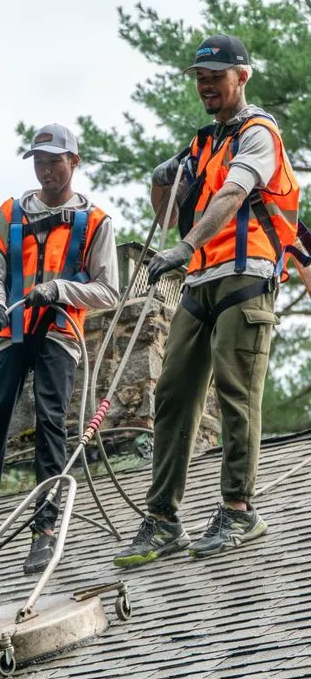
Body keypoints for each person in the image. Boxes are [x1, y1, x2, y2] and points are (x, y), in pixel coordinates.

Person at [114, 34, 300, 568]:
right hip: (199, 283)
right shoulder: (202, 145)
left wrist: (186, 246)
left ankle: (239, 509)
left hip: (247, 276)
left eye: (214, 77)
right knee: (172, 394)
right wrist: (161, 182)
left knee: (237, 389)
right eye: (199, 78)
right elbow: (173, 212)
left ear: (242, 76)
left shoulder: (259, 135)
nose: (205, 86)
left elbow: (233, 195)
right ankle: (162, 520)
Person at [0, 123, 119, 582]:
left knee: (50, 423)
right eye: (39, 162)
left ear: (74, 163)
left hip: (60, 335)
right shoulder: (10, 214)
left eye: (53, 162)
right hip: (11, 332)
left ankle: (44, 532)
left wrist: (59, 289)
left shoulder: (96, 223)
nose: (45, 171)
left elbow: (108, 291)